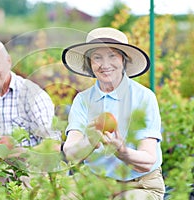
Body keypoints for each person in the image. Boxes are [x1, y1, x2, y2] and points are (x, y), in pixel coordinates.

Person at [61, 27, 165, 199]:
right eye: (97, 57)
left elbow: (148, 160)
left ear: (123, 60)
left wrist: (122, 151)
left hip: (139, 184)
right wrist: (89, 141)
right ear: (90, 63)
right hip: (95, 180)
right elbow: (70, 153)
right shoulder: (83, 100)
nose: (105, 64)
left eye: (112, 56)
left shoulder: (144, 97)